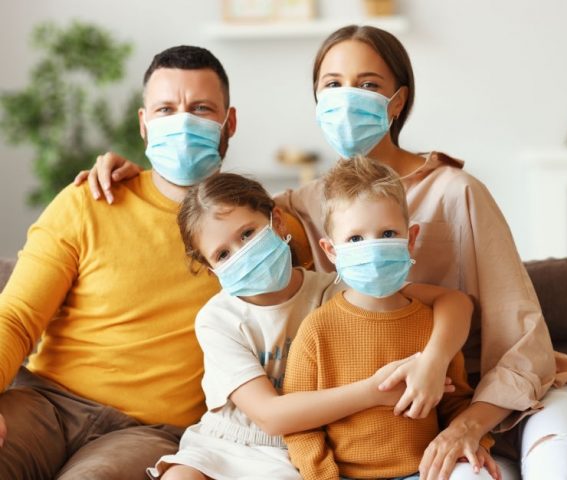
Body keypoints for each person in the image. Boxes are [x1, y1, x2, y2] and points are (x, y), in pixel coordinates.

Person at [82, 26, 567, 479]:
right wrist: (135, 177)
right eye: (332, 85)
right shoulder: (304, 205)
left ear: (396, 102)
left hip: (494, 398)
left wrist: (464, 421)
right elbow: (223, 214)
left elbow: (520, 336)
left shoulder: (457, 191)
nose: (347, 97)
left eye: (368, 85)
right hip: (392, 419)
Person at [0, 43, 471, 479]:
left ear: (229, 123)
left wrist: (456, 359)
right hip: (48, 404)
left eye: (201, 109)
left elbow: (358, 296)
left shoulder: (273, 229)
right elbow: (16, 317)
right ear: (145, 124)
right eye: (167, 110)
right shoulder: (88, 201)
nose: (182, 122)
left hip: (150, 432)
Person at [148, 170, 473, 479]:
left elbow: (454, 302)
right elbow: (270, 415)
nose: (243, 252)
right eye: (222, 254)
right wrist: (374, 392)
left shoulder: (339, 289)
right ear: (210, 269)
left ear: (275, 221)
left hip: (295, 447)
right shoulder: (217, 319)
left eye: (247, 233)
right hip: (227, 439)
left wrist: (433, 360)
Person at [283, 156, 502, 480]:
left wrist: (474, 440)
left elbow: (455, 401)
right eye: (355, 239)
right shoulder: (317, 329)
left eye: (387, 233)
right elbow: (301, 427)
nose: (373, 248)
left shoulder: (431, 324)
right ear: (330, 250)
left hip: (425, 472)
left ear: (410, 238)